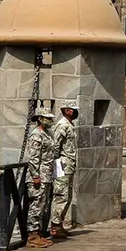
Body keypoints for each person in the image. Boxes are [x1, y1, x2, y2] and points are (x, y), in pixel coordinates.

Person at [24, 110, 57, 249]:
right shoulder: (36, 135)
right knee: (36, 206)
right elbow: (33, 158)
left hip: (46, 175)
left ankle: (38, 234)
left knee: (42, 206)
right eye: (47, 118)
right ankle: (32, 236)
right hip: (38, 177)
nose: (50, 120)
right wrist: (35, 176)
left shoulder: (47, 134)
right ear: (40, 119)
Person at [49, 102, 79, 239]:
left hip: (69, 165)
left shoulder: (70, 125)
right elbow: (55, 147)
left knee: (67, 195)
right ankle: (55, 226)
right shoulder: (62, 125)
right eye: (73, 110)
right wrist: (57, 167)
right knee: (61, 195)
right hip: (63, 166)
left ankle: (59, 224)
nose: (75, 112)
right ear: (67, 111)